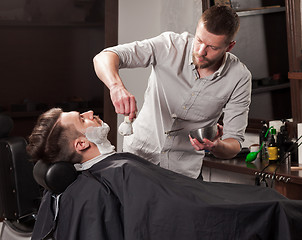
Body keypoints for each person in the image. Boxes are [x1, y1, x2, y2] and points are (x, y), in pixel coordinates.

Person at [27, 108, 302, 240]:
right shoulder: (115, 174)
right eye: (82, 119)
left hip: (213, 199)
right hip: (223, 209)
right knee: (275, 205)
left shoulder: (109, 171)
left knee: (267, 197)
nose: (90, 113)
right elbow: (185, 213)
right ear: (81, 144)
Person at [93, 5, 252, 178]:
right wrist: (116, 87)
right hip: (137, 161)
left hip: (184, 174)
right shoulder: (170, 45)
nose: (200, 52)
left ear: (229, 47)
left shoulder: (239, 77)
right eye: (199, 40)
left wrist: (216, 146)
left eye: (212, 47)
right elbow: (104, 57)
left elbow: (234, 143)